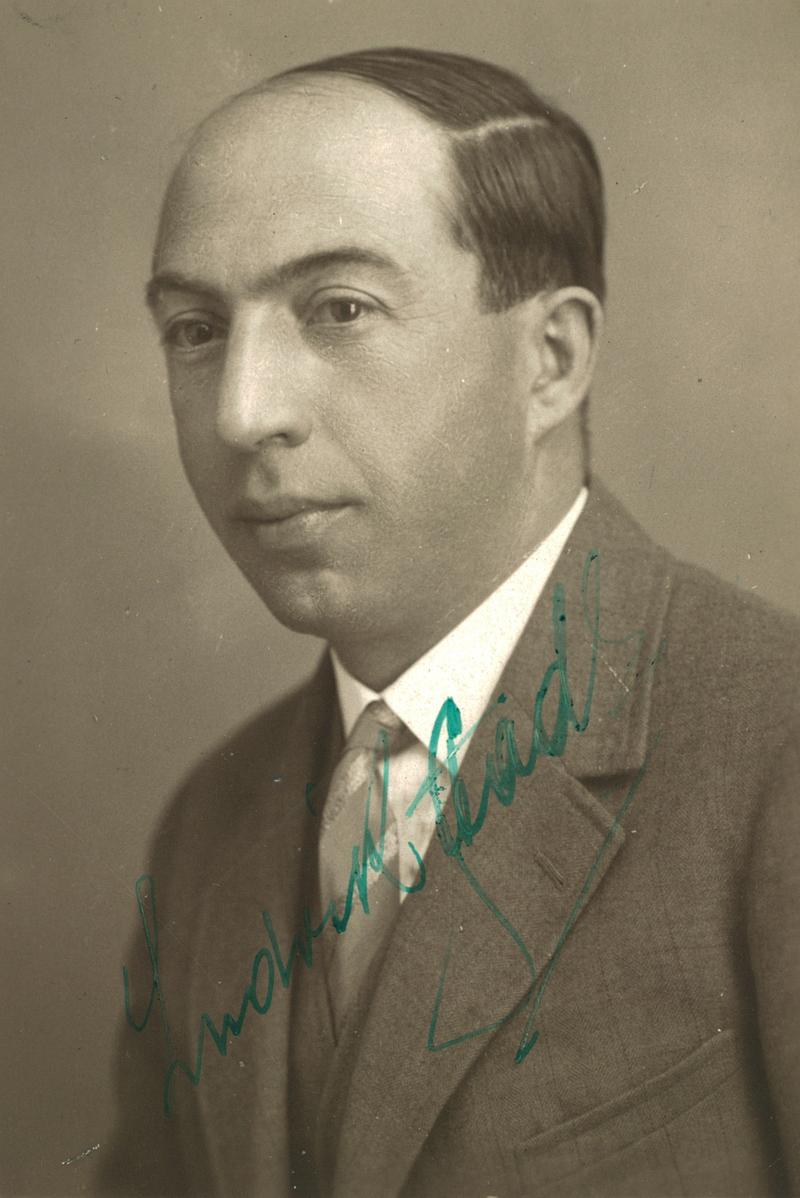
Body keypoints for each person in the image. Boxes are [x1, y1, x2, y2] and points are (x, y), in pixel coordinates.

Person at [98, 47, 800, 1198]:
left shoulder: (772, 750)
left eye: (338, 309)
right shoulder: (207, 827)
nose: (241, 412)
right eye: (194, 328)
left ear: (549, 359)